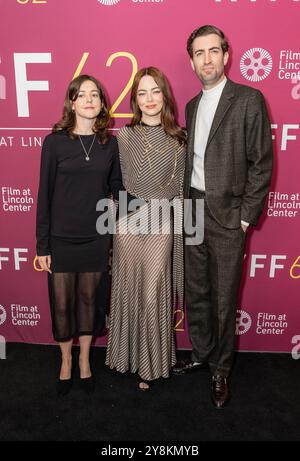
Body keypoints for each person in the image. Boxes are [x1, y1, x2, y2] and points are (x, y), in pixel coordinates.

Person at [173, 25, 273, 408]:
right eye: (199, 53)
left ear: (226, 55)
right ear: (192, 61)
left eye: (213, 51)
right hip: (194, 208)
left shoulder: (248, 99)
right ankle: (201, 354)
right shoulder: (192, 106)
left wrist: (246, 217)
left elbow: (261, 165)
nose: (207, 59)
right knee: (196, 291)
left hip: (229, 215)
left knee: (224, 296)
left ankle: (221, 370)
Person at [36, 74, 122, 396]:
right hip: (60, 238)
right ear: (71, 102)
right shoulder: (54, 142)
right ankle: (65, 360)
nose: (89, 100)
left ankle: (85, 360)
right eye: (82, 95)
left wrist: (147, 204)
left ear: (101, 104)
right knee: (61, 305)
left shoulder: (109, 143)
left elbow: (116, 187)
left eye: (94, 95)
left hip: (96, 238)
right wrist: (42, 244)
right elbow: (43, 195)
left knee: (89, 301)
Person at [105, 67, 186, 390]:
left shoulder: (180, 138)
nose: (150, 99)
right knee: (127, 291)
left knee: (152, 294)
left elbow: (181, 191)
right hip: (128, 225)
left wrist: (181, 228)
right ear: (135, 99)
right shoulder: (124, 137)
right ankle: (124, 357)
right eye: (142, 92)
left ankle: (150, 364)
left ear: (165, 95)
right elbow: (117, 184)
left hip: (163, 225)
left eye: (155, 91)